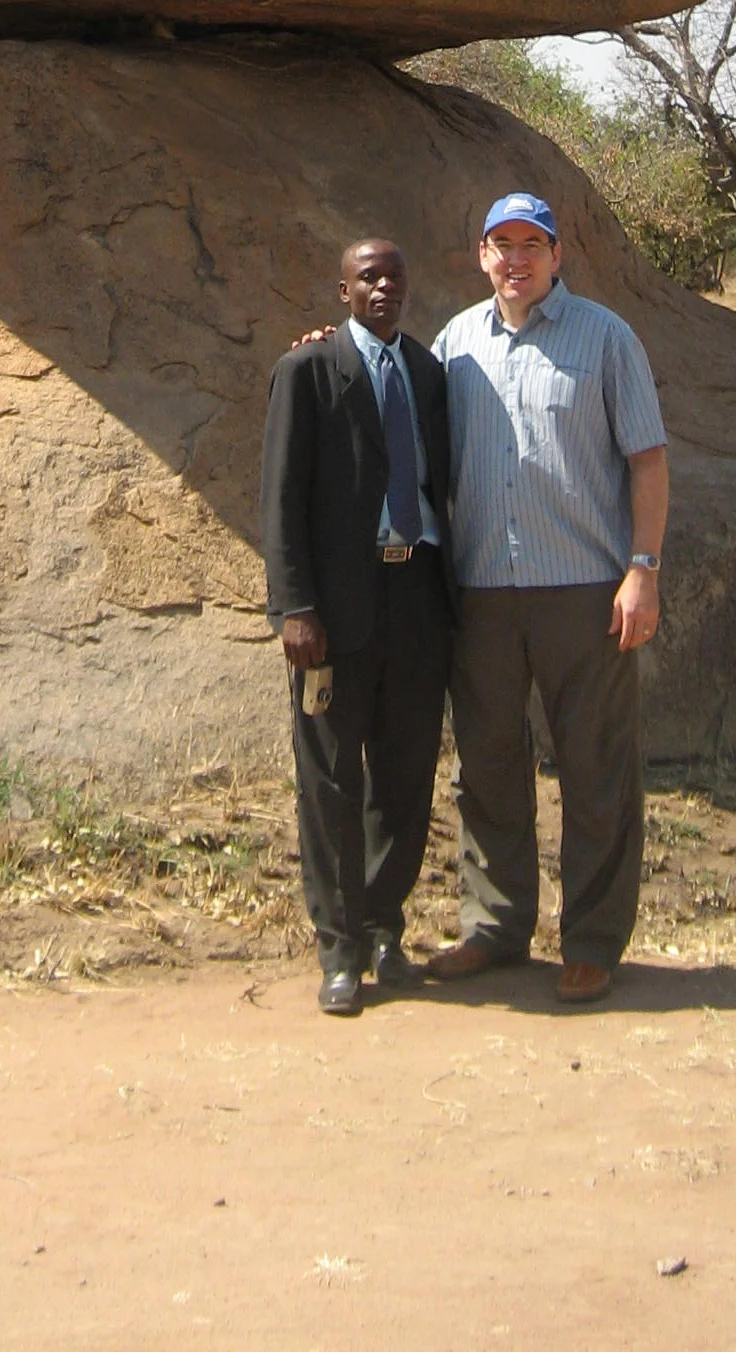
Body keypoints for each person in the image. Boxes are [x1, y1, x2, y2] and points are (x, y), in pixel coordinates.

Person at [424, 191, 668, 1005]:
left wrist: (643, 568)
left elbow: (647, 461)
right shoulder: (455, 343)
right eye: (502, 244)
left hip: (585, 590)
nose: (517, 258)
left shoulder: (606, 339)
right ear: (481, 256)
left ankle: (592, 940)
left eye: (534, 243)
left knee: (596, 768)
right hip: (483, 588)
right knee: (487, 768)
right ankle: (494, 928)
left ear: (559, 256)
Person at [261, 237, 459, 1018]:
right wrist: (294, 607)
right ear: (342, 290)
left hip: (418, 598)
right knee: (332, 779)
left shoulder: (428, 372)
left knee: (407, 775)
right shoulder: (305, 372)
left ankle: (384, 928)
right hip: (338, 607)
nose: (383, 288)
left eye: (394, 276)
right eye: (367, 277)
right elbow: (281, 498)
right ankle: (338, 949)